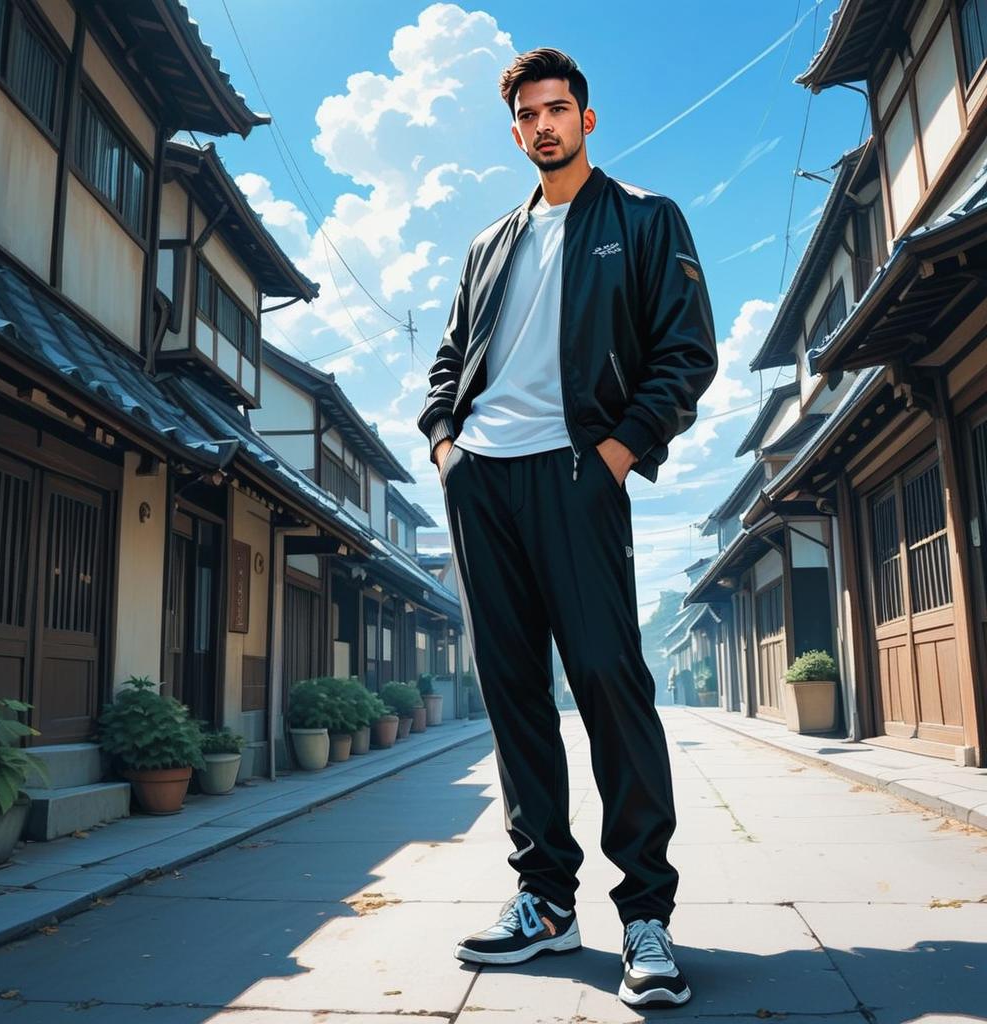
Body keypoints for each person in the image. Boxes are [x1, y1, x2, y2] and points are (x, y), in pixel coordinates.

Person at [416, 47, 717, 1009]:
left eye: (560, 109)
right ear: (515, 133)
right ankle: (545, 901)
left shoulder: (642, 220)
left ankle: (646, 917)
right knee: (510, 692)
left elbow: (686, 352)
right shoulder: (489, 244)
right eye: (530, 115)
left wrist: (619, 455)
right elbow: (450, 358)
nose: (545, 124)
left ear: (588, 119)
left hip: (579, 474)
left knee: (607, 682)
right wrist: (445, 446)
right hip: (483, 482)